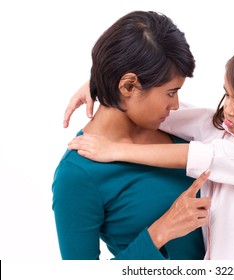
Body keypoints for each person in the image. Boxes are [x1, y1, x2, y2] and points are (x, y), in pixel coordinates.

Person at [67, 38, 234, 259]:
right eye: (228, 95)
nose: (229, 109)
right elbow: (165, 110)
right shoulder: (228, 128)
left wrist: (116, 150)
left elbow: (200, 156)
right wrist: (105, 85)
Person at [52, 10, 212, 260]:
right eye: (171, 92)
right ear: (128, 86)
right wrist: (160, 232)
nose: (177, 105)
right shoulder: (77, 174)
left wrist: (99, 82)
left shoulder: (173, 124)